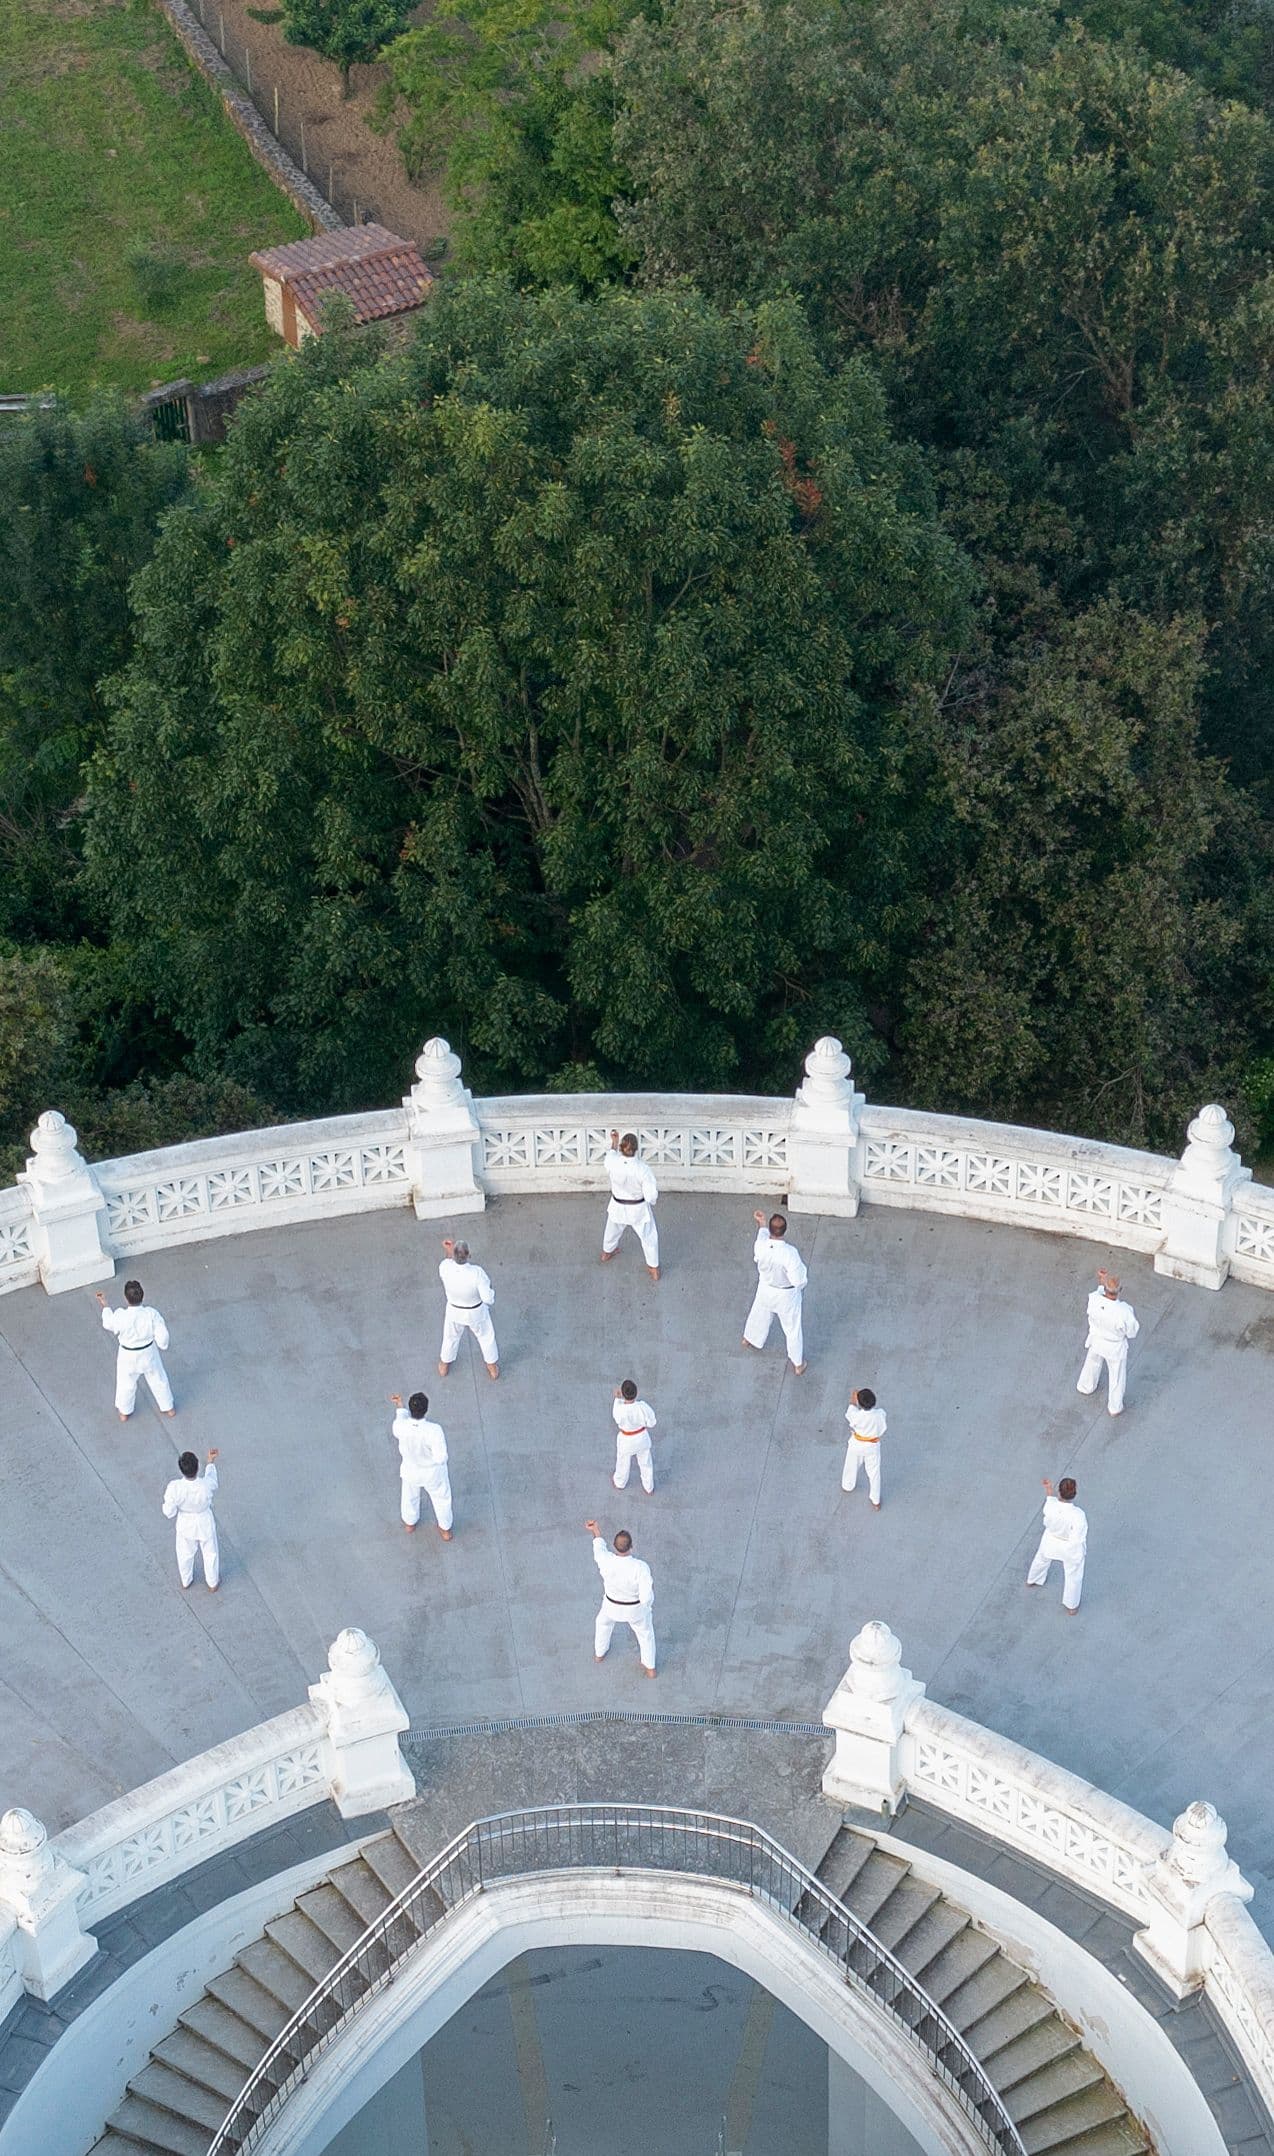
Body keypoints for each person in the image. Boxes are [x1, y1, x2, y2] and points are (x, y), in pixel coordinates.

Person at [96, 1281, 175, 1422]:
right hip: (148, 1353)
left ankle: (124, 1412)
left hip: (128, 1355)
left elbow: (108, 1323)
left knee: (125, 1383)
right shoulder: (151, 1314)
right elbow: (162, 1336)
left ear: (126, 1299)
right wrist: (163, 1345)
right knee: (158, 1379)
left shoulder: (121, 1316)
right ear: (142, 1296)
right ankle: (168, 1407)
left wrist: (105, 1305)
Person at [586, 1518, 656, 1675]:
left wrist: (596, 1531)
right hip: (634, 1610)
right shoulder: (640, 1567)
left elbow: (599, 1549)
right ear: (631, 1546)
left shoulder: (606, 1561)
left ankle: (599, 1654)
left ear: (614, 1546)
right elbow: (646, 1595)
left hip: (611, 1607)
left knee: (602, 1624)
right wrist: (646, 1609)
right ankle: (650, 1667)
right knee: (646, 1634)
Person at [742, 1210, 808, 1373]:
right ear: (784, 1230)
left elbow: (762, 1234)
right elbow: (799, 1280)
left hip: (766, 1288)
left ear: (771, 1229)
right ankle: (798, 1363)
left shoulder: (761, 1245)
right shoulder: (790, 1253)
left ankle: (749, 1339)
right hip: (786, 1295)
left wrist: (761, 1221)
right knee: (792, 1328)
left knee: (759, 1313)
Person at [390, 1392, 453, 1539]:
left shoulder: (401, 1427)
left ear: (411, 1409)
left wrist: (400, 1406)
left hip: (410, 1471)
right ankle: (445, 1529)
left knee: (409, 1497)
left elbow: (399, 1422)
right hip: (432, 1474)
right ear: (426, 1409)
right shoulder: (434, 1430)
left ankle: (410, 1523)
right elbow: (441, 1457)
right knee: (441, 1499)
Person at [1076, 1269, 1139, 1416]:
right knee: (1116, 1377)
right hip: (1114, 1347)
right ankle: (1115, 1407)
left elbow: (1099, 1294)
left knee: (1091, 1364)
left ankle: (1086, 1386)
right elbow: (1132, 1332)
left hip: (1096, 1340)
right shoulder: (1124, 1311)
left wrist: (1103, 1280)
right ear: (1120, 1290)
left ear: (1105, 1289)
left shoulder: (1094, 1300)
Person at [601, 1129, 660, 1279]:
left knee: (612, 1230)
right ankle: (653, 1268)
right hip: (637, 1209)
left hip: (617, 1206)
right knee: (649, 1237)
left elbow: (610, 1154)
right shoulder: (643, 1169)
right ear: (636, 1149)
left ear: (621, 1147)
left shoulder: (613, 1163)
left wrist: (614, 1141)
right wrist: (651, 1201)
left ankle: (607, 1252)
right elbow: (651, 1195)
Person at [437, 1238, 498, 1380]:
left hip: (454, 1311)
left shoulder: (445, 1268)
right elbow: (488, 1298)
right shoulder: (477, 1273)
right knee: (486, 1337)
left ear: (454, 1255)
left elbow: (447, 1263)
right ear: (469, 1255)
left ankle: (444, 1365)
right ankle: (492, 1368)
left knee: (450, 1337)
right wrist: (491, 1295)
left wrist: (449, 1251)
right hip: (476, 1312)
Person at [1026, 1476, 1087, 1614]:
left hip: (1050, 1542)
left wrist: (1048, 1488)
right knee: (1074, 1574)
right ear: (1074, 1494)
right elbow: (1078, 1537)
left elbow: (1050, 1500)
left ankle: (1032, 1579)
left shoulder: (1051, 1506)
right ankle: (1071, 1606)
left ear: (1059, 1492)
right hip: (1069, 1548)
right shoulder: (1078, 1515)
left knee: (1041, 1559)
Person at [163, 1449, 220, 1590]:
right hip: (204, 1521)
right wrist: (211, 1462)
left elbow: (168, 1512)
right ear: (197, 1466)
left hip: (185, 1523)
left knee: (184, 1553)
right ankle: (212, 1583)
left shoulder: (175, 1487)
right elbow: (213, 1481)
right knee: (210, 1553)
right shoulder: (205, 1485)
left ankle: (186, 1580)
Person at [842, 1387, 887, 1509]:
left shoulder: (856, 1416)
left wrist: (854, 1397)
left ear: (860, 1404)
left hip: (857, 1444)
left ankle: (848, 1485)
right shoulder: (880, 1414)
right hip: (872, 1446)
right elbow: (882, 1428)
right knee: (874, 1473)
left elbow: (851, 1408)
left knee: (851, 1465)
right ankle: (875, 1500)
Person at [612, 1379, 657, 1495]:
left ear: (622, 1393)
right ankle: (649, 1488)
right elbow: (652, 1423)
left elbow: (617, 1418)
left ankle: (620, 1483)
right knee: (646, 1463)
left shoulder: (619, 1408)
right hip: (642, 1438)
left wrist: (617, 1399)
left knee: (623, 1462)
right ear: (636, 1392)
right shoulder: (642, 1407)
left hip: (626, 1440)